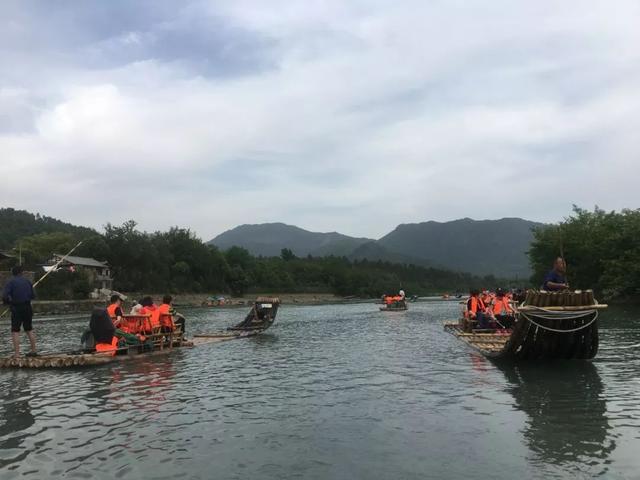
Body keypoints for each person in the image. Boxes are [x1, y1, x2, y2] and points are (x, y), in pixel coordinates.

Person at [2, 265, 37, 358]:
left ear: (13, 272)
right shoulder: (28, 282)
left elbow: (5, 296)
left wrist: (8, 302)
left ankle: (17, 354)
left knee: (15, 330)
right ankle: (34, 351)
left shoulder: (10, 282)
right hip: (27, 307)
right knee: (29, 329)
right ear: (21, 272)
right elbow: (33, 296)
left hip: (16, 308)